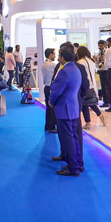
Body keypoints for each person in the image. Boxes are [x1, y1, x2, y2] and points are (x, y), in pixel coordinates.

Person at [49, 45, 83, 177]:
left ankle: (72, 167)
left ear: (62, 57)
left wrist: (51, 102)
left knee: (67, 139)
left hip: (64, 109)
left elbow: (56, 91)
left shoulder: (64, 71)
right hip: (73, 108)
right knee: (74, 138)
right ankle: (77, 163)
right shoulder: (76, 69)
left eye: (59, 56)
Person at [76, 46, 106, 129]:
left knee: (84, 104)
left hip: (84, 84)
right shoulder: (91, 61)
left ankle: (88, 122)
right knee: (90, 103)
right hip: (92, 85)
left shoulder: (79, 62)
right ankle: (99, 116)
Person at [41, 48, 58, 133]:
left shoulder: (44, 64)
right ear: (50, 54)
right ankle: (51, 126)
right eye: (54, 54)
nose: (55, 56)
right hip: (51, 87)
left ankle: (48, 126)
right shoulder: (52, 65)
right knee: (52, 108)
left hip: (47, 87)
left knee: (48, 108)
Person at [95, 40, 111, 107]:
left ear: (105, 45)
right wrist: (96, 61)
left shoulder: (108, 52)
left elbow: (109, 61)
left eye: (101, 46)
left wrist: (103, 60)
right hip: (100, 70)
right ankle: (105, 101)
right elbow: (96, 63)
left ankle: (108, 101)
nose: (99, 47)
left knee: (107, 86)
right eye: (99, 46)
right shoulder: (97, 52)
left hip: (106, 70)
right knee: (102, 87)